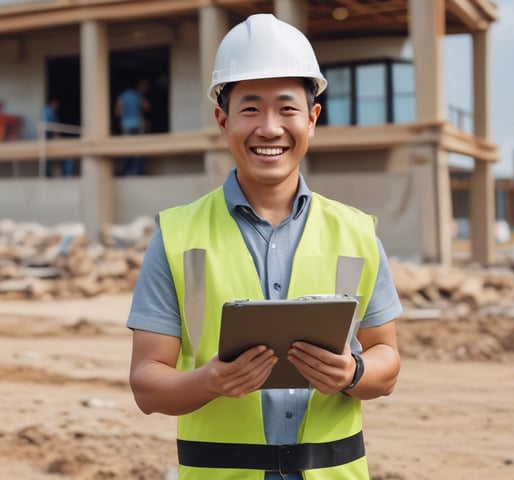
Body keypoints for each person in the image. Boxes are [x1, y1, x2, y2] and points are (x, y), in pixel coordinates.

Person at [127, 13, 402, 480]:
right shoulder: (176, 237)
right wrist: (208, 381)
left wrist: (352, 373)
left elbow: (387, 362)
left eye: (287, 108)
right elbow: (147, 384)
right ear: (223, 119)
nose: (270, 128)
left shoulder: (357, 233)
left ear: (312, 119)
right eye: (251, 108)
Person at [114, 78, 150, 175]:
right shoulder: (138, 95)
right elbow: (147, 107)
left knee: (127, 148)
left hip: (126, 125)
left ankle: (126, 171)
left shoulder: (122, 96)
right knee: (139, 148)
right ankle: (138, 171)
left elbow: (118, 112)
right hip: (138, 125)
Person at [42, 96, 74, 177]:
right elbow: (52, 128)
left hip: (47, 142)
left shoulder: (47, 110)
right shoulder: (49, 111)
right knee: (68, 155)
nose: (58, 105)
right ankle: (68, 177)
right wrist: (57, 138)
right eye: (57, 103)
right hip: (49, 142)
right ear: (53, 102)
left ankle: (49, 175)